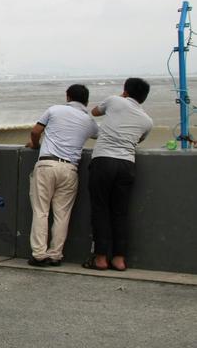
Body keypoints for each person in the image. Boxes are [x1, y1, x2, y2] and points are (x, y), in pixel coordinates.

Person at [85, 78, 153, 272]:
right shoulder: (147, 121)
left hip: (103, 160)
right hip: (127, 164)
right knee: (120, 213)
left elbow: (95, 112)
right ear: (144, 98)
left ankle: (100, 258)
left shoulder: (114, 101)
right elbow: (138, 140)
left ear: (125, 91)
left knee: (100, 209)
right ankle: (119, 259)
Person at [26, 84, 98, 266]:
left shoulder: (54, 110)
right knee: (62, 214)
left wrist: (34, 144)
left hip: (47, 164)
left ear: (67, 96)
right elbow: (99, 135)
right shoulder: (89, 121)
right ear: (86, 101)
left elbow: (35, 131)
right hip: (70, 169)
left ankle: (39, 254)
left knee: (41, 211)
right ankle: (55, 255)